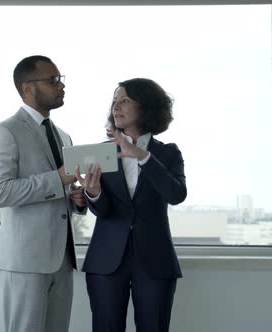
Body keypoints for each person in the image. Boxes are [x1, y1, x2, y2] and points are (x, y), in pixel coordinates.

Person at [75, 78, 187, 332]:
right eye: (114, 100)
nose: (116, 106)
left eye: (124, 99)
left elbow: (176, 194)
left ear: (146, 106)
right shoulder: (99, 153)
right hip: (106, 261)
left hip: (156, 260)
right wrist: (94, 193)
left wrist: (143, 157)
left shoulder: (168, 153)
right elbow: (103, 211)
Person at [0, 55, 86, 332]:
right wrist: (58, 179)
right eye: (53, 80)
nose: (61, 86)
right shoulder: (6, 131)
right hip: (25, 258)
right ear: (28, 87)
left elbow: (60, 188)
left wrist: (75, 197)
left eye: (61, 79)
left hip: (63, 259)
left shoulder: (64, 136)